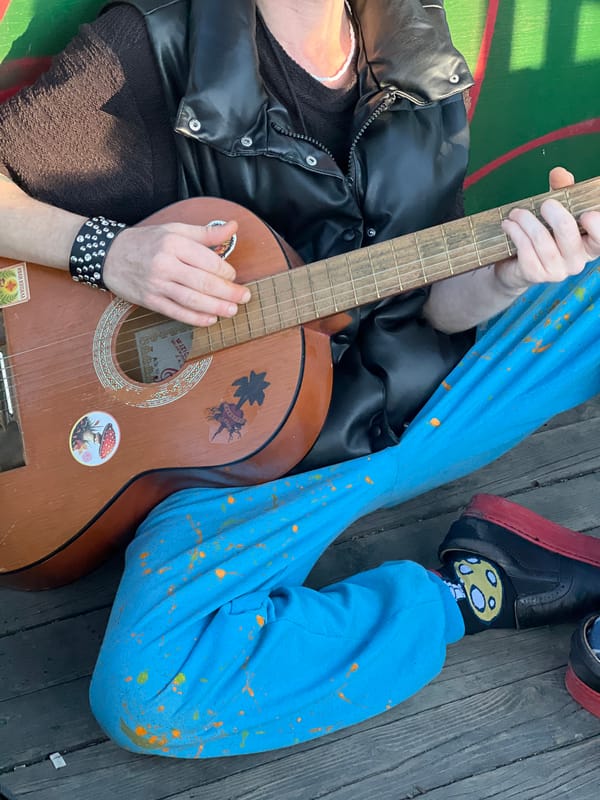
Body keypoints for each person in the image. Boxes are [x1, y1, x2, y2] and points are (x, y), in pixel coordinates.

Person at [1, 0, 600, 757]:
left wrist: (508, 278)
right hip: (248, 474)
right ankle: (468, 594)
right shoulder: (151, 48)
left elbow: (432, 307)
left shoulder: (413, 41)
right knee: (150, 693)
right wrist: (105, 251)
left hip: (422, 410)